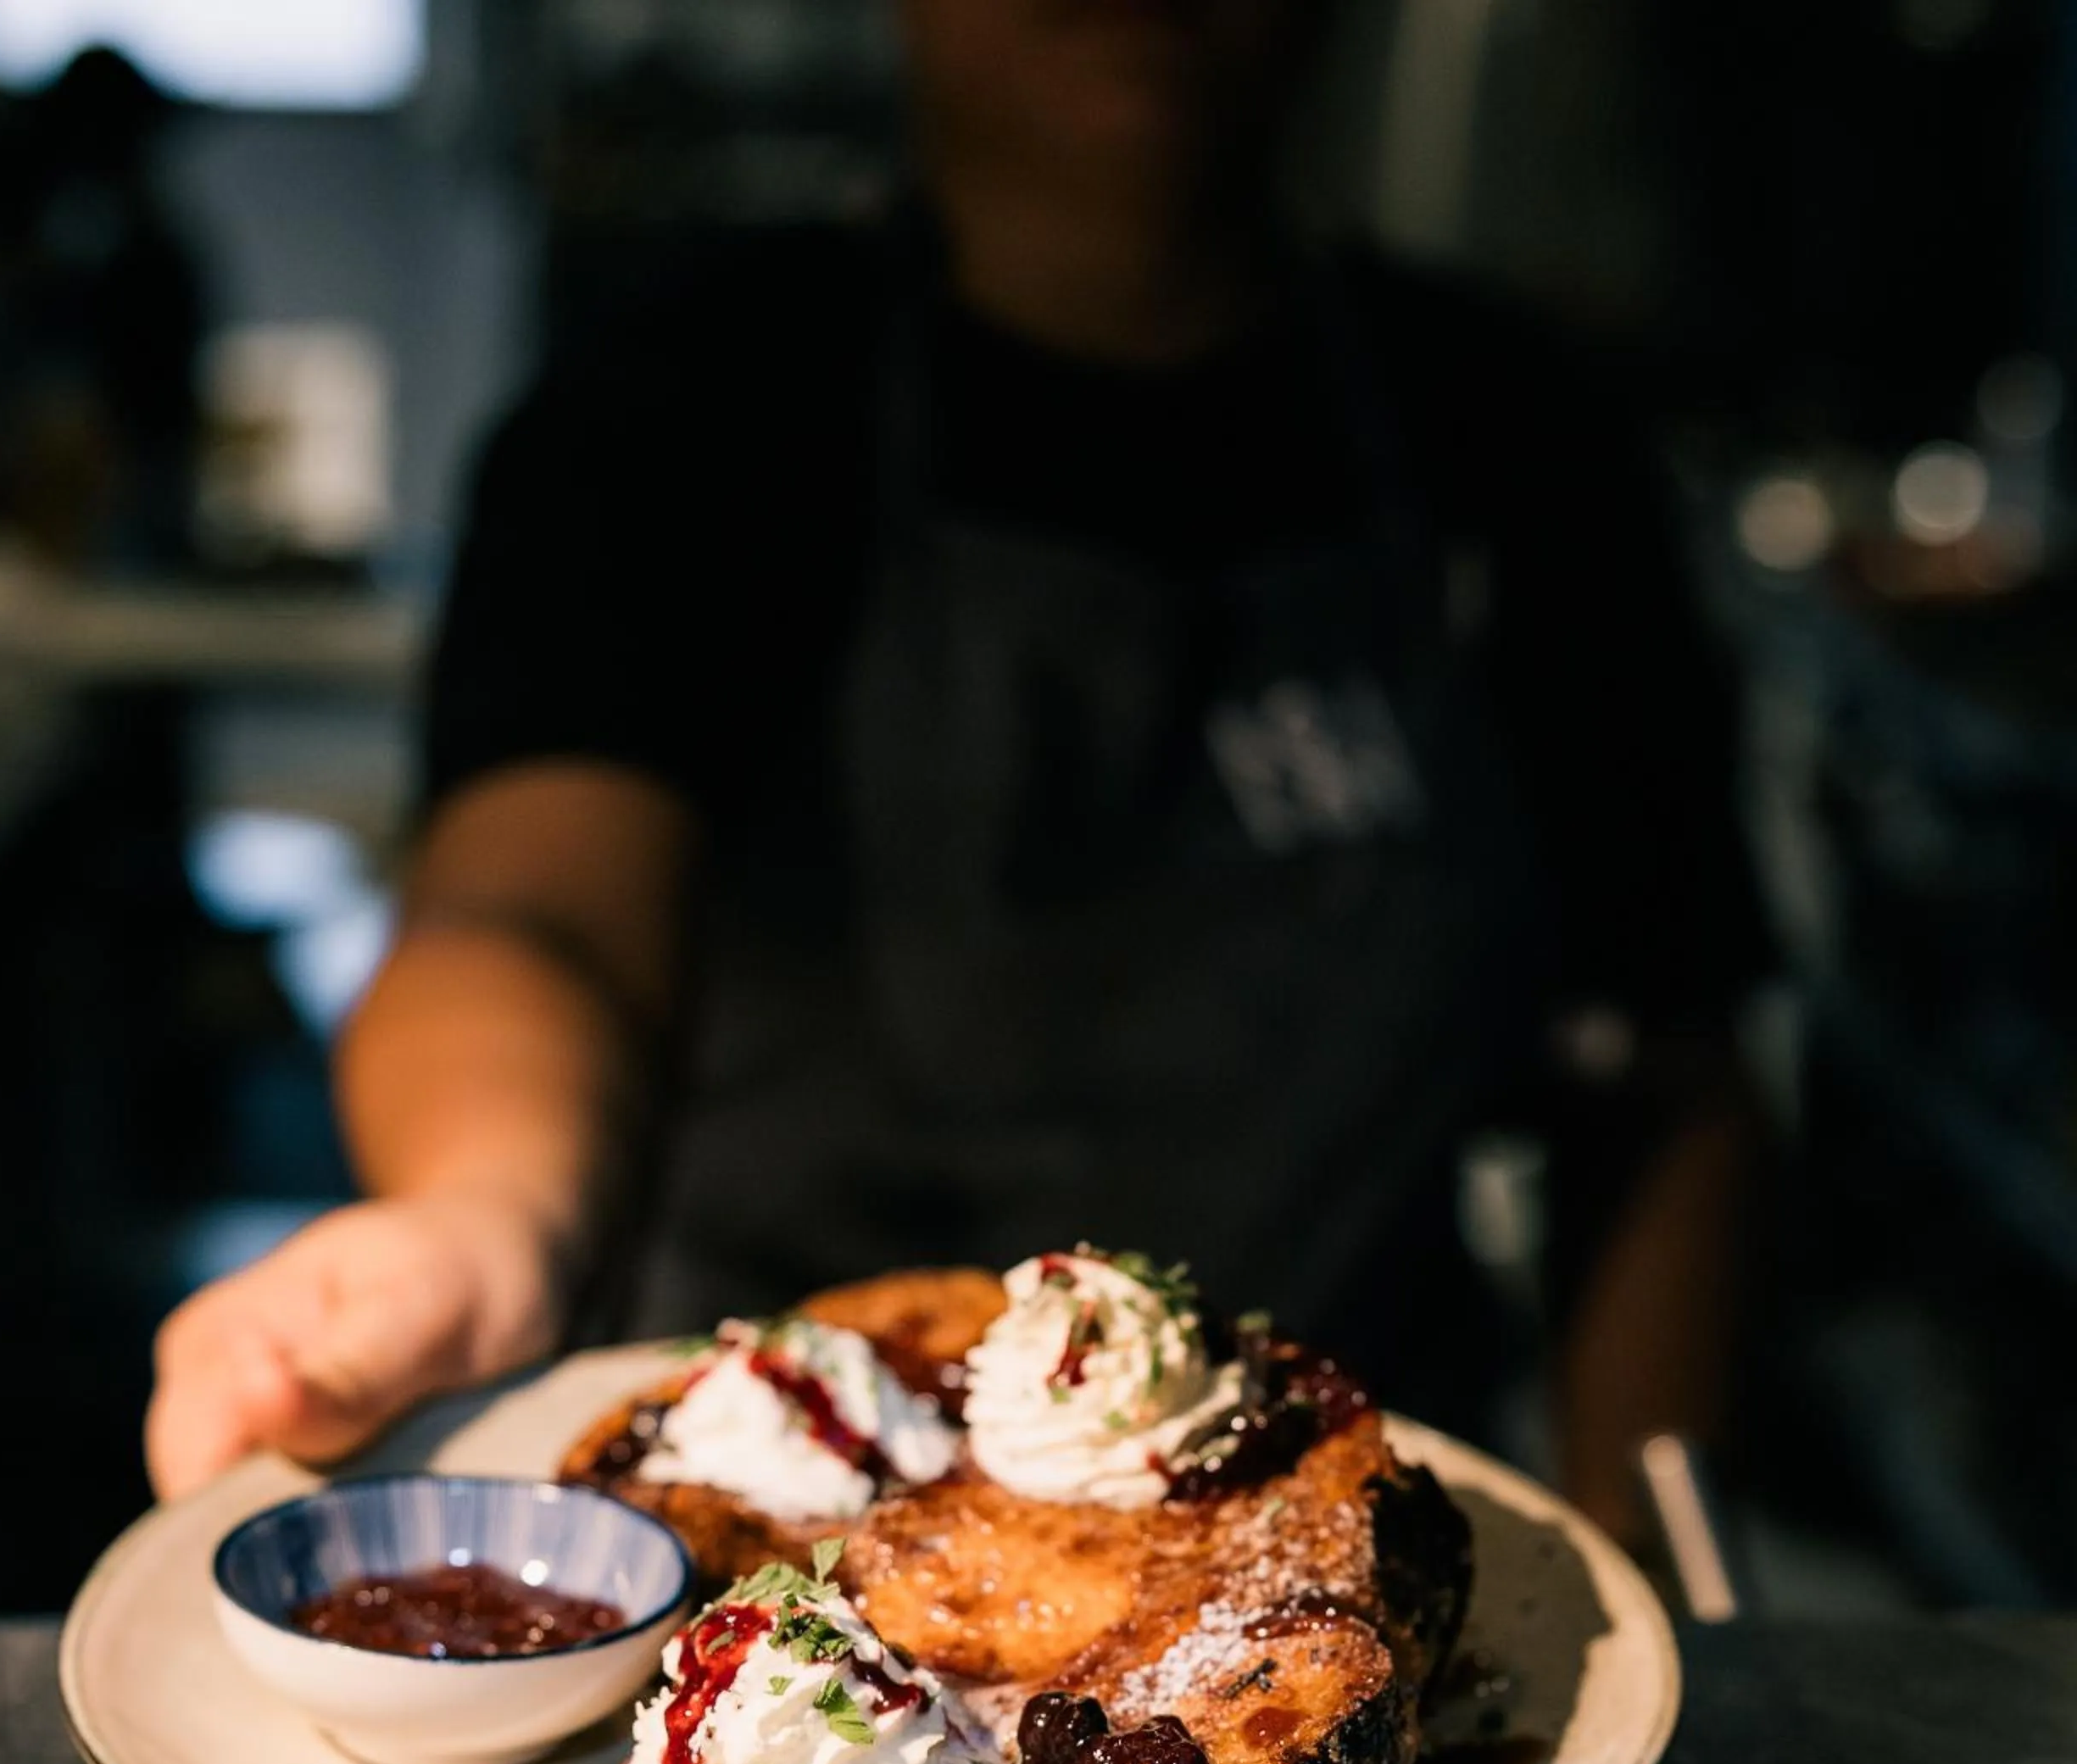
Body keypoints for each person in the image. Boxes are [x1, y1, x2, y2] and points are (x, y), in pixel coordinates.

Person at [146, 0, 1765, 1549]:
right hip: (766, 1489)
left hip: (1343, 1506)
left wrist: (1651, 1560)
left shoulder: (1522, 440)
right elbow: (534, 914)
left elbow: (1663, 1074)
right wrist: (488, 1221)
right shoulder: (683, 412)